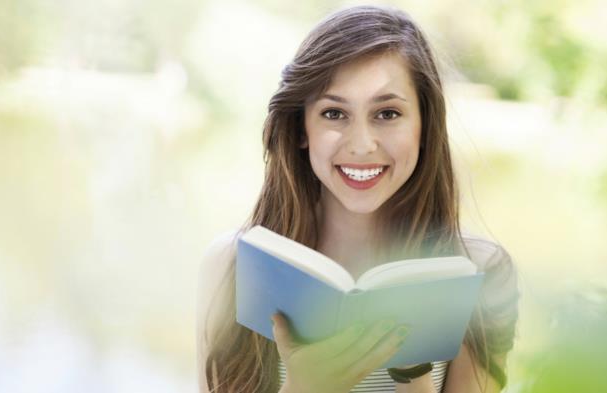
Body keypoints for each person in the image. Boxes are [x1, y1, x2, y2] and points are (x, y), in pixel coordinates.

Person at [196, 4, 519, 393]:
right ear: (302, 129)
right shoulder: (231, 264)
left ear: (424, 125)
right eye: (334, 114)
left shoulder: (478, 272)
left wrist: (411, 369)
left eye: (387, 113)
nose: (362, 145)